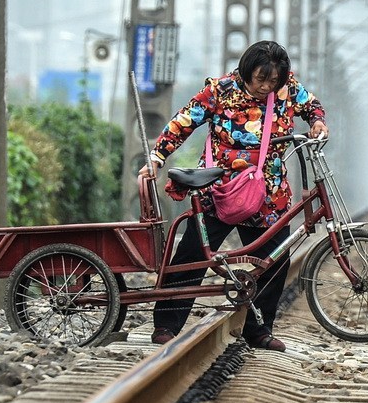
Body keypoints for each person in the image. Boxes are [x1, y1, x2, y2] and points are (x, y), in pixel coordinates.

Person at [137, 40, 328, 351]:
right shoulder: (220, 89)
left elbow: (312, 107)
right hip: (220, 188)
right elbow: (183, 121)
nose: (266, 87)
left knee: (275, 258)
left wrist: (318, 122)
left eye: (273, 81)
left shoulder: (288, 89)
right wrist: (157, 158)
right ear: (245, 72)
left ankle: (260, 330)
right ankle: (166, 326)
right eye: (260, 79)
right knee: (192, 254)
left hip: (269, 191)